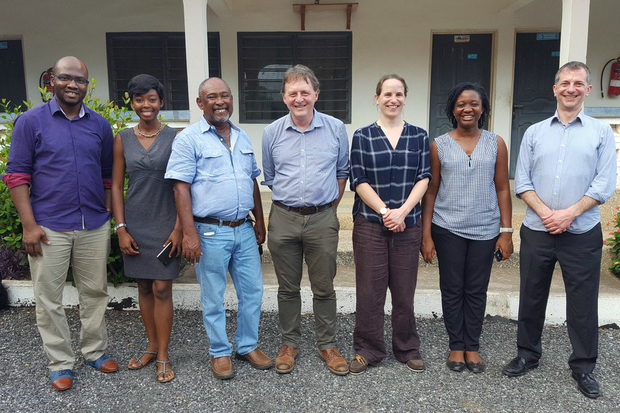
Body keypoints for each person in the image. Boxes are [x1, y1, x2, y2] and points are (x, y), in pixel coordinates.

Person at [3, 56, 119, 391]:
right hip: (49, 226)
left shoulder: (98, 125)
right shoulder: (30, 122)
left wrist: (108, 215)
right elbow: (17, 176)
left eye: (80, 80)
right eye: (65, 78)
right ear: (50, 81)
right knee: (48, 298)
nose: (73, 85)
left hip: (93, 225)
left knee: (94, 292)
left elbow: (107, 176)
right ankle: (60, 363)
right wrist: (29, 225)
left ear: (87, 85)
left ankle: (94, 351)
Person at [503, 61, 616, 399]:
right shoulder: (534, 132)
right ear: (554, 89)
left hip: (582, 232)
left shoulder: (600, 133)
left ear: (588, 90)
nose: (571, 88)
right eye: (565, 82)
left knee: (582, 302)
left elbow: (604, 184)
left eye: (578, 83)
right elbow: (521, 181)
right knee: (532, 294)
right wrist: (547, 214)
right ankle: (527, 354)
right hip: (538, 229)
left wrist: (568, 214)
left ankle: (583, 366)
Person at [165, 77, 271, 380]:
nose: (220, 101)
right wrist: (189, 234)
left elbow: (251, 180)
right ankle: (220, 352)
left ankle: (247, 345)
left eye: (225, 95)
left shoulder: (241, 137)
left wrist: (260, 221)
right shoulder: (189, 138)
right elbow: (180, 189)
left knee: (252, 291)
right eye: (212, 97)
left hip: (244, 230)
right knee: (213, 297)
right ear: (201, 103)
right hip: (210, 232)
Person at [261, 65, 350, 376]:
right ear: (284, 97)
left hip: (322, 218)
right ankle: (289, 344)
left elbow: (342, 173)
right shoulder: (271, 132)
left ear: (316, 95)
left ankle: (327, 344)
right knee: (287, 288)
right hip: (283, 218)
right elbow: (270, 177)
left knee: (323, 286)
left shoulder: (336, 128)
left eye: (304, 92)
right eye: (292, 93)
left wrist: (326, 207)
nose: (299, 98)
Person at [421, 82, 513, 374]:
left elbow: (502, 189)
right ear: (453, 109)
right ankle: (456, 346)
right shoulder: (439, 145)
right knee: (451, 289)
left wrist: (506, 231)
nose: (467, 109)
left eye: (473, 103)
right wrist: (426, 235)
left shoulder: (495, 143)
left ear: (483, 108)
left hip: (485, 229)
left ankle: (472, 346)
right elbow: (431, 191)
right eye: (461, 104)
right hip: (447, 227)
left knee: (476, 290)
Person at [348, 74, 431, 375]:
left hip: (408, 226)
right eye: (387, 94)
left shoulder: (419, 136)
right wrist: (385, 211)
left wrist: (404, 211)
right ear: (377, 98)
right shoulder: (363, 136)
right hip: (371, 224)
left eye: (398, 94)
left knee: (404, 290)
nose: (393, 99)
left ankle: (407, 347)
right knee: (369, 291)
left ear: (405, 97)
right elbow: (359, 180)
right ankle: (368, 350)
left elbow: (424, 177)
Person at [111, 74, 181, 383]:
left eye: (151, 99)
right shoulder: (122, 139)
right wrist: (121, 228)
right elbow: (115, 186)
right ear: (133, 103)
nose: (145, 105)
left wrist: (181, 227)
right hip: (135, 223)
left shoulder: (177, 137)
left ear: (161, 102)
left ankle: (163, 354)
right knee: (142, 287)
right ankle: (151, 347)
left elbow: (184, 185)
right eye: (139, 99)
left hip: (167, 222)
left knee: (162, 287)